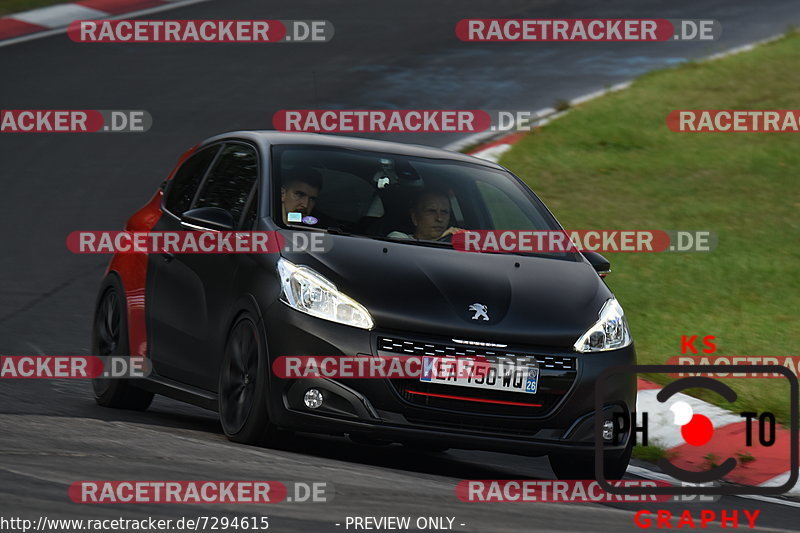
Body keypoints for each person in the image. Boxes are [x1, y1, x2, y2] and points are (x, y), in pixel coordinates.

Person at [387, 188, 464, 241]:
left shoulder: (455, 246)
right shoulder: (398, 238)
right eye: (431, 211)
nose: (439, 219)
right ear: (414, 217)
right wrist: (441, 239)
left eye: (444, 212)